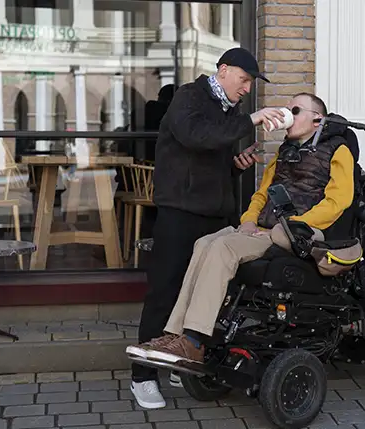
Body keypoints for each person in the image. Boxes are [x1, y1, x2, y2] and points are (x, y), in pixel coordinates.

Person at [126, 92, 355, 368]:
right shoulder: (285, 151)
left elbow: (338, 202)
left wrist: (291, 226)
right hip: (264, 228)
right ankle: (176, 334)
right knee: (205, 243)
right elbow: (262, 194)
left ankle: (194, 341)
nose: (286, 114)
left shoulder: (338, 150)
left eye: (294, 110)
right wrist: (248, 220)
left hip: (300, 233)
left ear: (317, 119)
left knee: (224, 248)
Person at [130, 47, 286, 409]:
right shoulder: (189, 97)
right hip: (179, 214)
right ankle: (143, 377)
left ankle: (181, 362)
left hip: (215, 216)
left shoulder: (226, 111)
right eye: (244, 80)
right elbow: (196, 136)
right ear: (224, 70)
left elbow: (205, 157)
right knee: (165, 292)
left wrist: (234, 166)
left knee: (206, 294)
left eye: (251, 83)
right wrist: (252, 119)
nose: (247, 88)